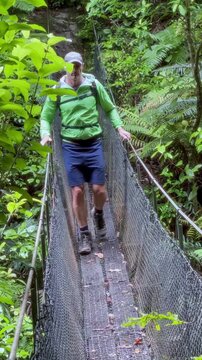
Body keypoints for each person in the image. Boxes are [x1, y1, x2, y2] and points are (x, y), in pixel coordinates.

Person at [40, 51, 131, 255]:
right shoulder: (57, 91)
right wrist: (45, 134)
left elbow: (109, 108)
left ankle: (98, 213)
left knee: (99, 190)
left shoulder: (93, 85)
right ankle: (84, 233)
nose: (74, 69)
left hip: (93, 143)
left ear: (82, 66)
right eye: (71, 66)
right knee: (78, 191)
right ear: (65, 67)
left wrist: (119, 127)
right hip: (71, 146)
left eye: (77, 65)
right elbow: (45, 117)